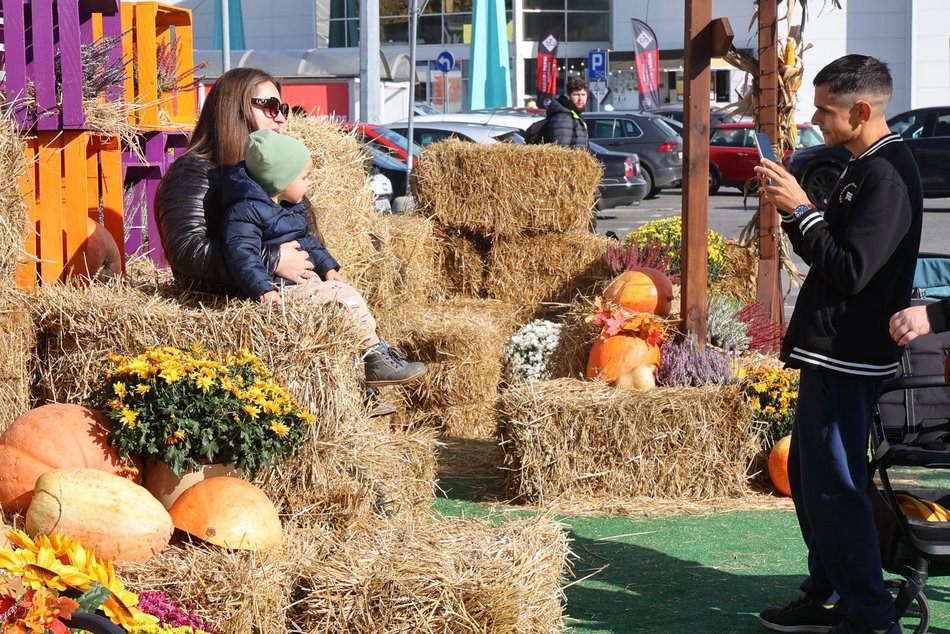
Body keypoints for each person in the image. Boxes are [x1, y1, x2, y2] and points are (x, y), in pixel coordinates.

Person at [754, 54, 923, 634]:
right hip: (831, 350)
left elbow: (852, 270)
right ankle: (827, 593)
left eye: (825, 111)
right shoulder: (861, 163)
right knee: (810, 477)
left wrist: (801, 210)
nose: (817, 121)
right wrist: (801, 212)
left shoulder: (888, 172)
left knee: (837, 484)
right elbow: (836, 258)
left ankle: (870, 615)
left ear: (862, 109)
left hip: (850, 355)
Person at [153, 67, 418, 416]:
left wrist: (324, 266)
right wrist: (271, 259)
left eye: (284, 108)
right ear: (234, 109)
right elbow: (186, 251)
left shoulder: (268, 177)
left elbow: (304, 234)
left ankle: (348, 386)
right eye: (270, 106)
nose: (281, 118)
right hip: (238, 304)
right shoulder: (195, 172)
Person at [218, 129, 426, 393]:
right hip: (282, 289)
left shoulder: (288, 207)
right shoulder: (245, 210)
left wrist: (328, 267)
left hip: (302, 282)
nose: (308, 185)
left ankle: (365, 382)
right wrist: (264, 289)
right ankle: (375, 358)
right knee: (344, 300)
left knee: (343, 306)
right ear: (281, 180)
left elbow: (307, 241)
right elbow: (241, 254)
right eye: (303, 178)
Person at [544, 76, 589, 149]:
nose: (580, 99)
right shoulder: (563, 118)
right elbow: (561, 153)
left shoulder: (574, 115)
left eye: (583, 94)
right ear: (567, 95)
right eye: (576, 95)